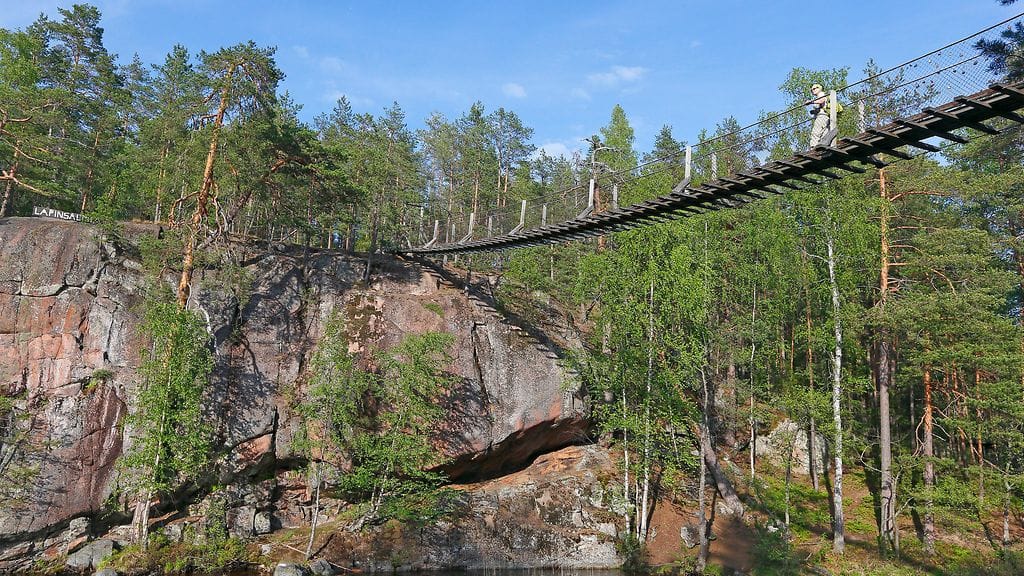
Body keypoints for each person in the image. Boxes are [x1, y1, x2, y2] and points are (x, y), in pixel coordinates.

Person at [805, 83, 835, 148]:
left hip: (822, 116)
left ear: (819, 88)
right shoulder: (819, 96)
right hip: (825, 116)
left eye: (814, 88)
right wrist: (814, 111)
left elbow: (822, 100)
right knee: (824, 133)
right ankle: (823, 145)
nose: (813, 90)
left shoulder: (821, 94)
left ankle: (813, 147)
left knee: (815, 132)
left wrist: (811, 102)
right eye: (811, 90)